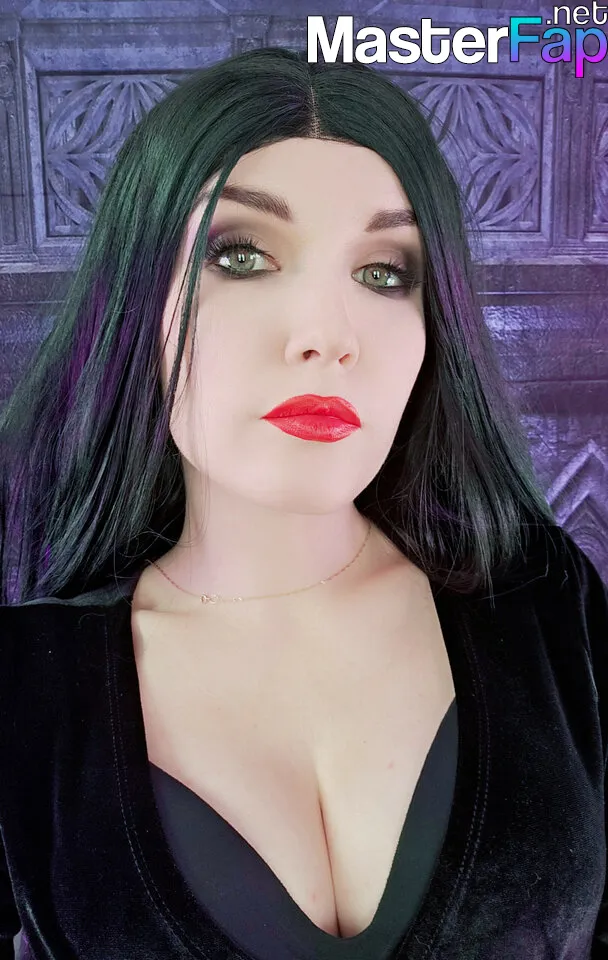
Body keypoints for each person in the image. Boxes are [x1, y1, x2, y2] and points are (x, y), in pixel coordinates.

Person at [0, 45, 606, 960]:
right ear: (138, 300)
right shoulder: (30, 689)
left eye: (385, 272)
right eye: (241, 255)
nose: (328, 335)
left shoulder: (539, 598)